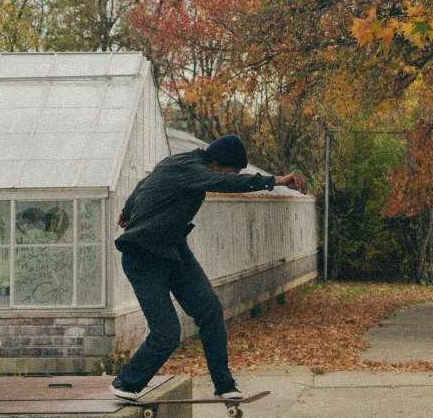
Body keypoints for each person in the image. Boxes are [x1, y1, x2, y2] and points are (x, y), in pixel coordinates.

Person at [109, 134, 307, 401]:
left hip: (173, 252)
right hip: (143, 257)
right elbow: (224, 182)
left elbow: (145, 182)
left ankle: (223, 384)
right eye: (234, 170)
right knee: (167, 333)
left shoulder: (176, 163)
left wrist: (127, 210)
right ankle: (126, 383)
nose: (234, 175)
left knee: (210, 310)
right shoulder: (191, 169)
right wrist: (276, 181)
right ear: (219, 163)